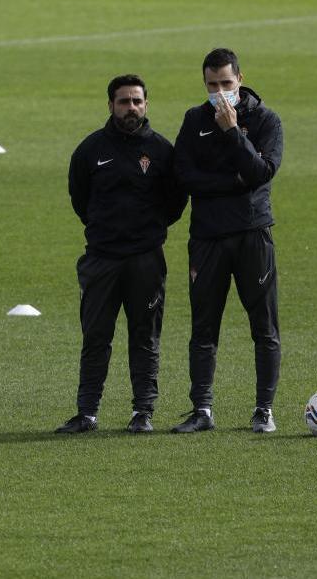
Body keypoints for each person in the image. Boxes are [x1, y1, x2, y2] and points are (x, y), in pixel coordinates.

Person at [57, 75, 186, 435]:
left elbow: (176, 201)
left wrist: (148, 232)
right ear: (111, 105)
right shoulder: (90, 150)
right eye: (124, 102)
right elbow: (79, 198)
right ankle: (87, 413)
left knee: (145, 336)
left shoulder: (161, 150)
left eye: (137, 101)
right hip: (101, 258)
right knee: (95, 336)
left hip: (146, 259)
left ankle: (143, 412)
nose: (131, 108)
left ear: (146, 105)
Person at [171, 48, 284, 434]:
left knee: (264, 327)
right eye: (212, 85)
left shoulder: (266, 121)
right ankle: (202, 410)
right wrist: (231, 183)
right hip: (206, 238)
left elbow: (260, 172)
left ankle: (263, 410)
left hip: (253, 234)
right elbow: (183, 176)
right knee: (204, 328)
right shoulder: (193, 120)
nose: (219, 93)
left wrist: (233, 132)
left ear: (240, 79)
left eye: (226, 84)